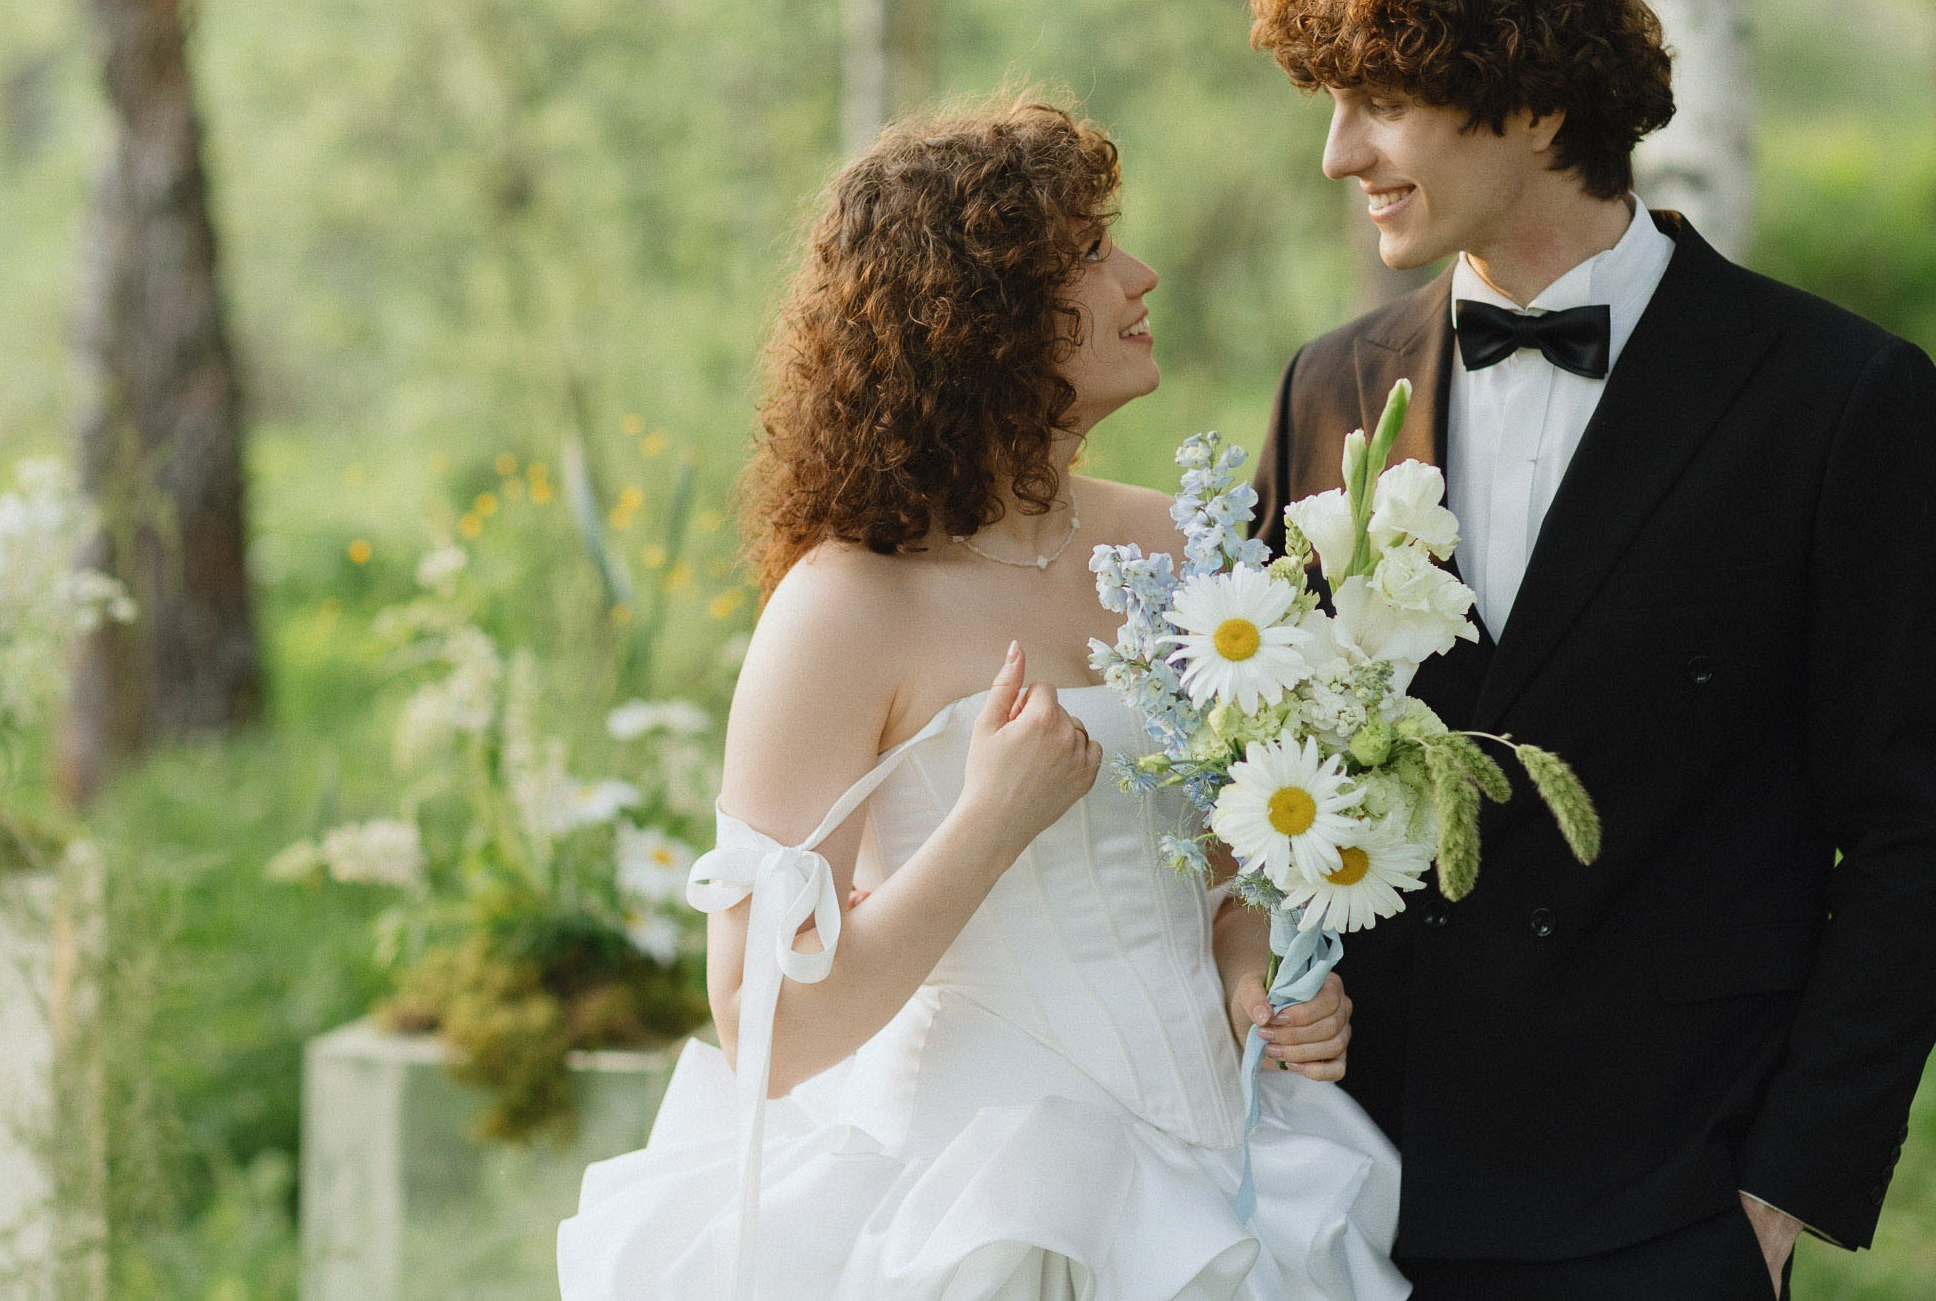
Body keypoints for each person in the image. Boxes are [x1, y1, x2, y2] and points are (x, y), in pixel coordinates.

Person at [557, 99, 1410, 1300]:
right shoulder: (846, 608)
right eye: (1095, 252)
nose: (1142, 275)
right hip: (987, 1209)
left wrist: (1248, 970)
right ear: (982, 318)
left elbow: (1222, 865)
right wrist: (987, 825)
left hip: (1231, 1180)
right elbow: (766, 1027)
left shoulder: (1185, 546)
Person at [1245, 0, 1936, 1295]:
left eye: (1377, 102)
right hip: (1351, 1186)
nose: (1336, 153)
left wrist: (1781, 1189)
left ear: (1531, 106)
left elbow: (1915, 828)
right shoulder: (1327, 386)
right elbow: (1254, 767)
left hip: (1671, 1197)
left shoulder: (1841, 398)